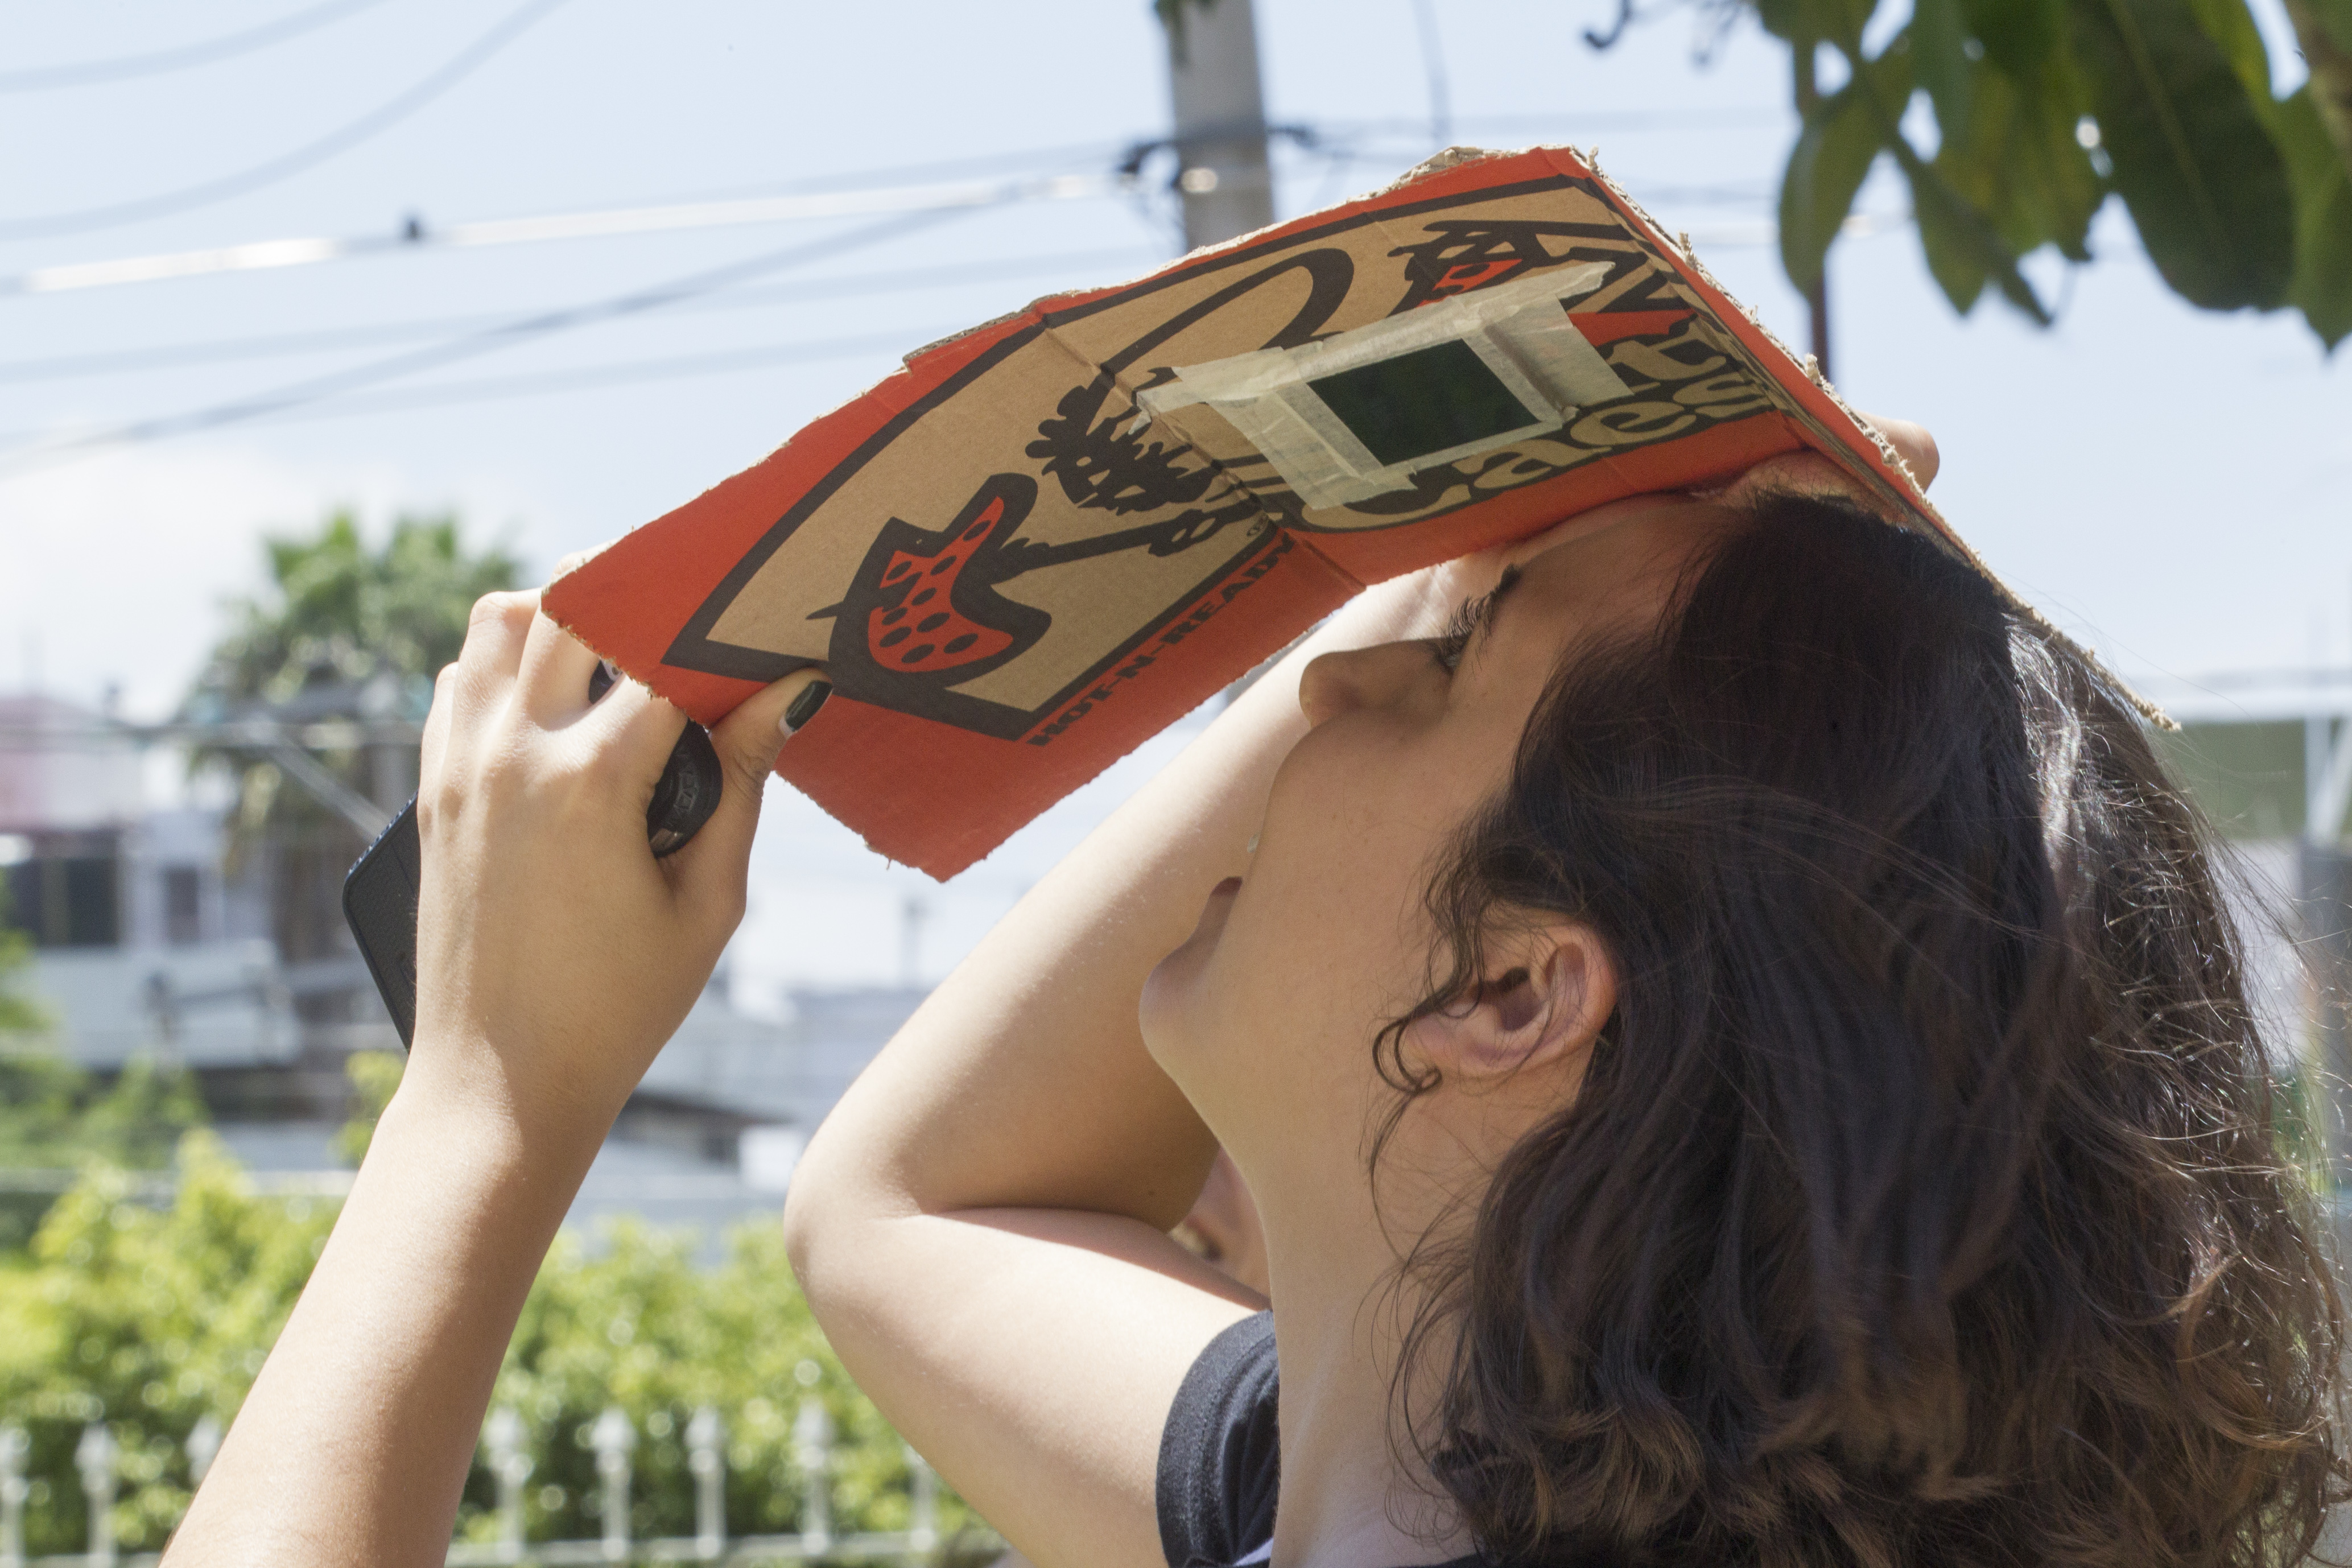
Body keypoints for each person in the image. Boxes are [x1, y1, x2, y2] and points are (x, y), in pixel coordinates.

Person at [159, 422, 2343, 1568]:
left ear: (1514, 989)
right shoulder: (1382, 1494)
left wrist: (480, 1105)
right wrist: (1487, 569)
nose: (1328, 686)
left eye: (1445, 658)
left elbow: (910, 1203)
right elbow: (909, 1216)